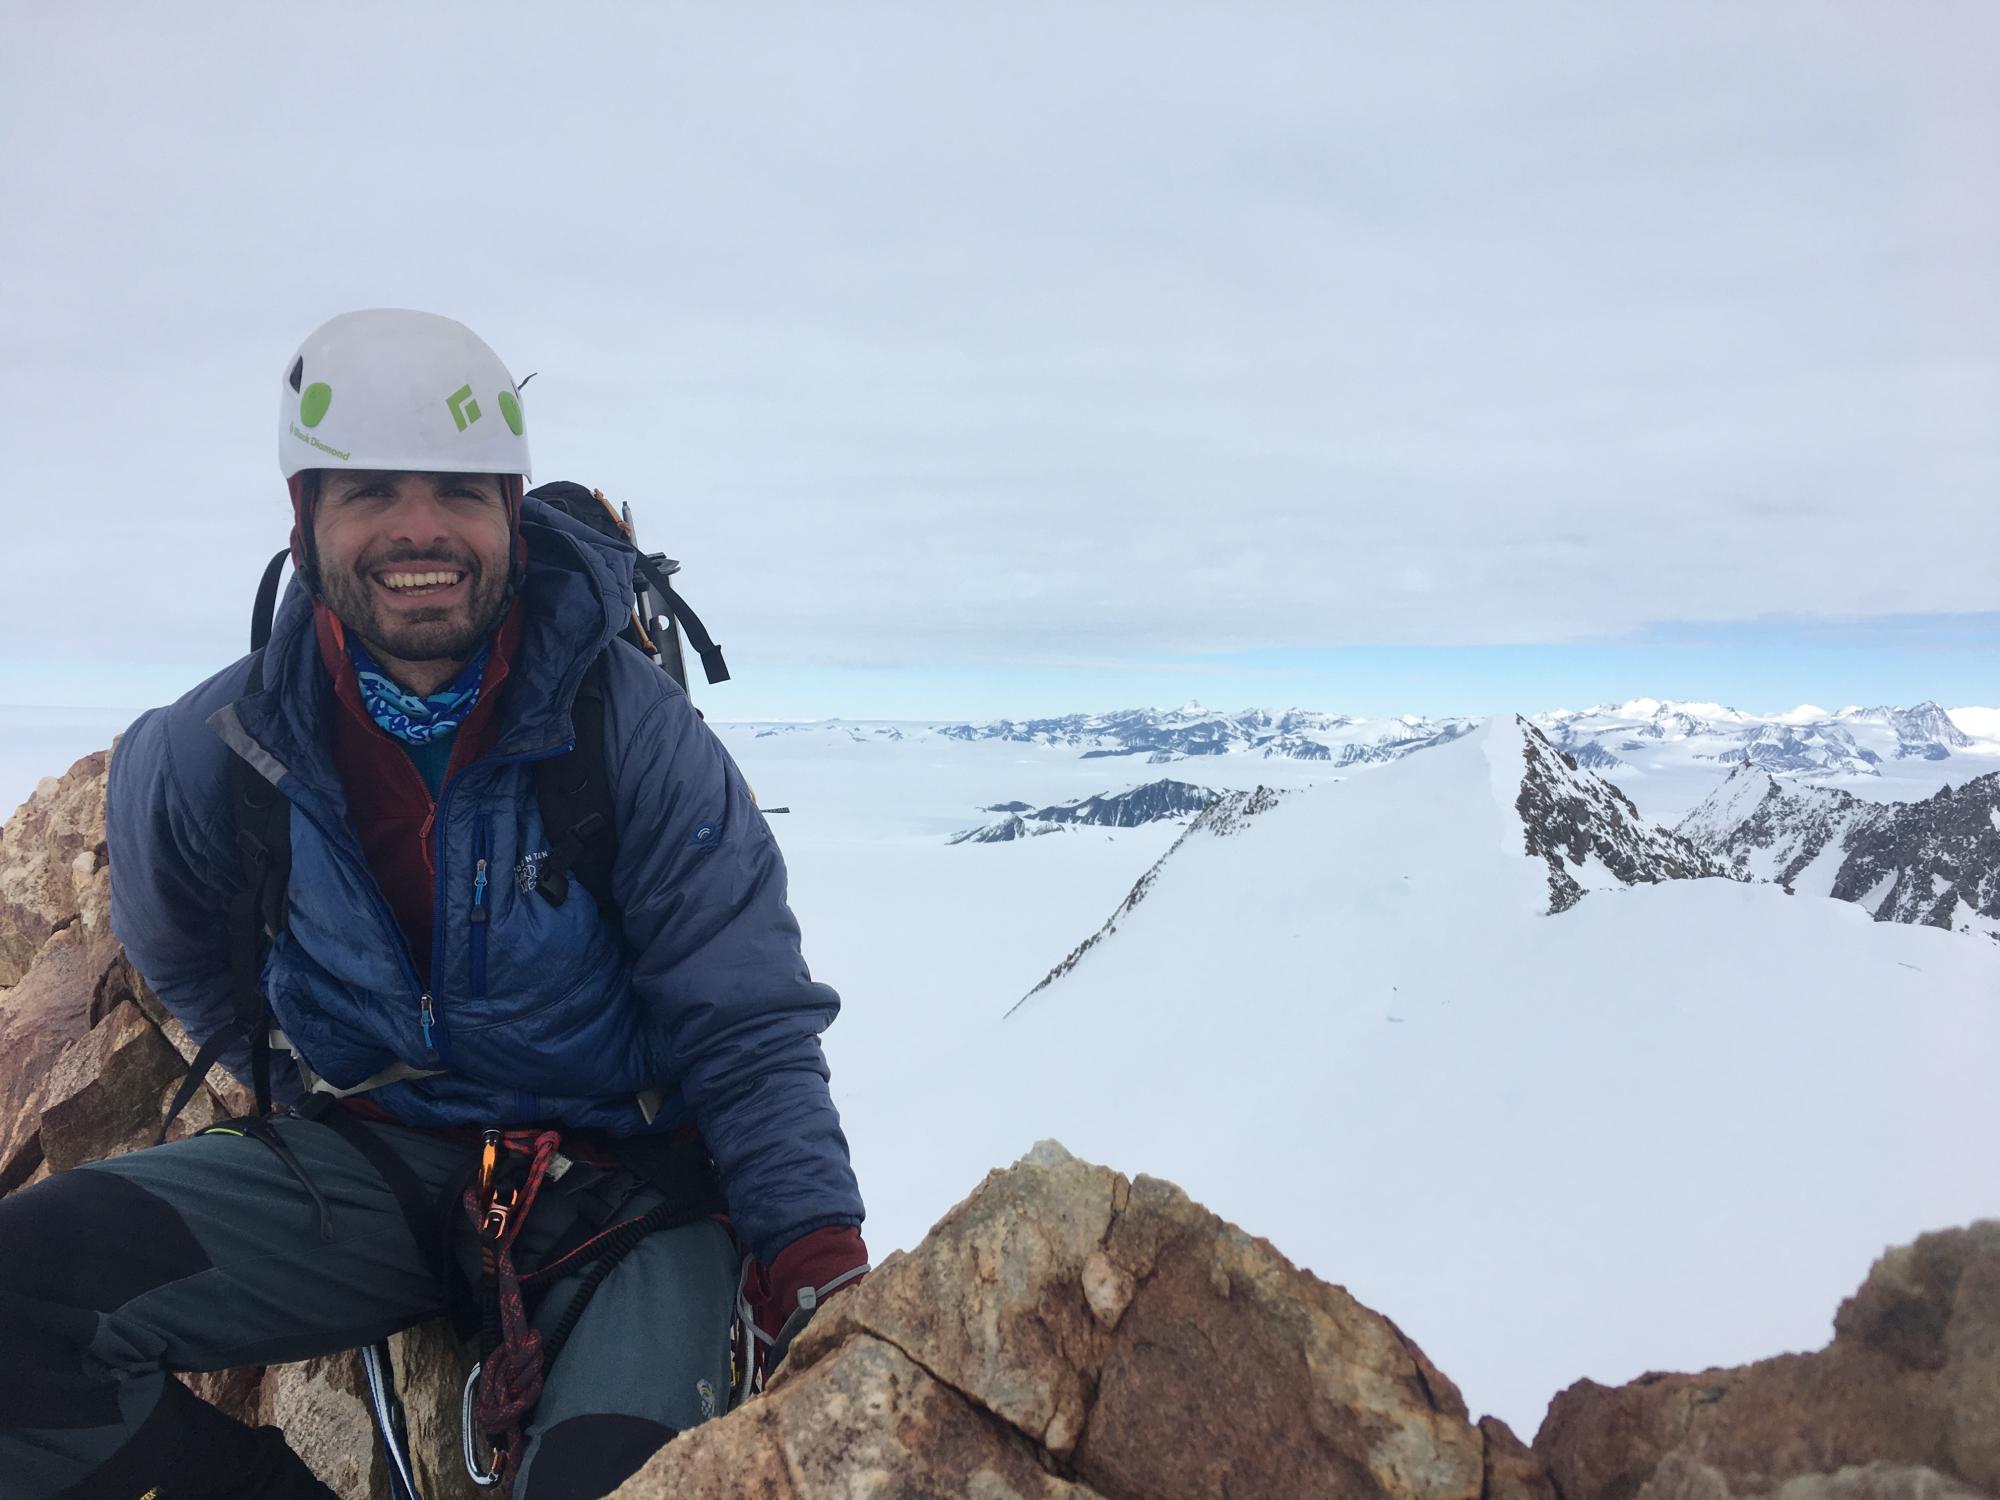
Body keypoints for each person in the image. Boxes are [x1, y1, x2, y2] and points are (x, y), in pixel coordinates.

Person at [0, 310, 868, 1499]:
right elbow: (187, 951)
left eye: (459, 489)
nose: (419, 528)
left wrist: (815, 1261)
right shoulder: (215, 753)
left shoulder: (626, 733)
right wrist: (309, 1094)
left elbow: (744, 1016)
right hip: (383, 1161)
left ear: (510, 514)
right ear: (304, 522)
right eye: (369, 491)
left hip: (631, 1193)